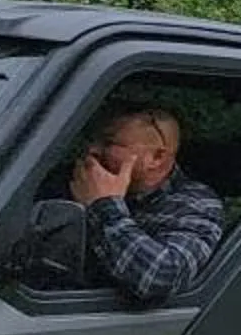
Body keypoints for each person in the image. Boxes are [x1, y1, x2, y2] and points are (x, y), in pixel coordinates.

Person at [72, 105, 226, 304]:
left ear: (156, 157)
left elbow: (160, 277)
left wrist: (105, 207)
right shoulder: (72, 184)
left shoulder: (196, 204)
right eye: (93, 141)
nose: (93, 150)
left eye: (108, 143)